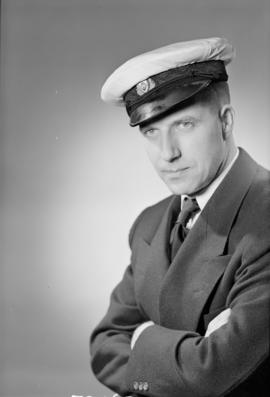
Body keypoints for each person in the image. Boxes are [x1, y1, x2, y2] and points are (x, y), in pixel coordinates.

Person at [90, 37, 270, 397]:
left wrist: (141, 338)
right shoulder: (150, 224)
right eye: (152, 131)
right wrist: (188, 354)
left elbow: (213, 373)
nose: (166, 153)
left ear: (226, 122)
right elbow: (105, 346)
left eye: (184, 124)